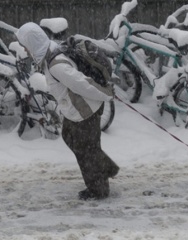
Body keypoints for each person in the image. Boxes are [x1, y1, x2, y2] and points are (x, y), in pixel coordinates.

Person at [15, 22, 119, 200]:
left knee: (86, 149)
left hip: (85, 110)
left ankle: (98, 190)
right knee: (70, 136)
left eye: (25, 46)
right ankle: (105, 168)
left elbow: (82, 83)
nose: (25, 51)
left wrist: (107, 94)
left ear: (33, 44)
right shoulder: (51, 51)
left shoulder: (56, 65)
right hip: (75, 110)